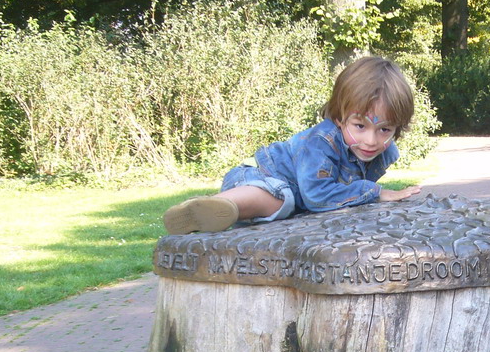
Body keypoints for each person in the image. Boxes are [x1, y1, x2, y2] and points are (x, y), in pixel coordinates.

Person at [162, 55, 422, 235]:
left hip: (289, 191)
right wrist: (375, 192)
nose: (371, 140)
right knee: (280, 198)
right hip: (259, 176)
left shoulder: (384, 151)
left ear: (398, 127)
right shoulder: (321, 142)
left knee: (284, 201)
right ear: (340, 116)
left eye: (384, 129)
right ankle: (216, 206)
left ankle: (212, 213)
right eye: (360, 126)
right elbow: (317, 196)